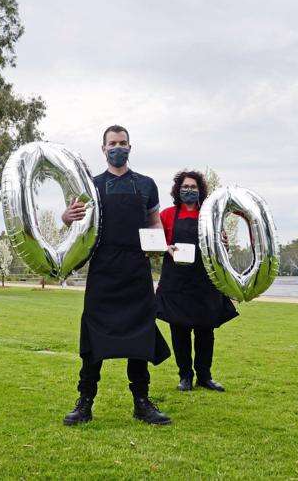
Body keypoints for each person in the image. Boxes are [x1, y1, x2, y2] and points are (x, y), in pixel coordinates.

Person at [61, 125, 171, 426]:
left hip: (137, 270)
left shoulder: (147, 185)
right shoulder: (91, 185)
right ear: (103, 148)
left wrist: (161, 244)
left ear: (130, 147)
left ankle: (142, 403)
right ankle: (84, 403)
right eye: (112, 143)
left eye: (122, 143)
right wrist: (66, 217)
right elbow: (73, 218)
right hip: (103, 270)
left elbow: (153, 223)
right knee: (93, 338)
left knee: (140, 336)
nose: (117, 147)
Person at [155, 170, 238, 392]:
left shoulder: (209, 217)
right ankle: (185, 376)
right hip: (176, 283)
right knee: (179, 331)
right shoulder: (167, 215)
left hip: (204, 282)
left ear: (200, 190)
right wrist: (166, 247)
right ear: (177, 190)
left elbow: (220, 251)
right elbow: (153, 243)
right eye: (185, 187)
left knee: (205, 331)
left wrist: (223, 243)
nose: (189, 190)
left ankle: (204, 376)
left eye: (193, 187)